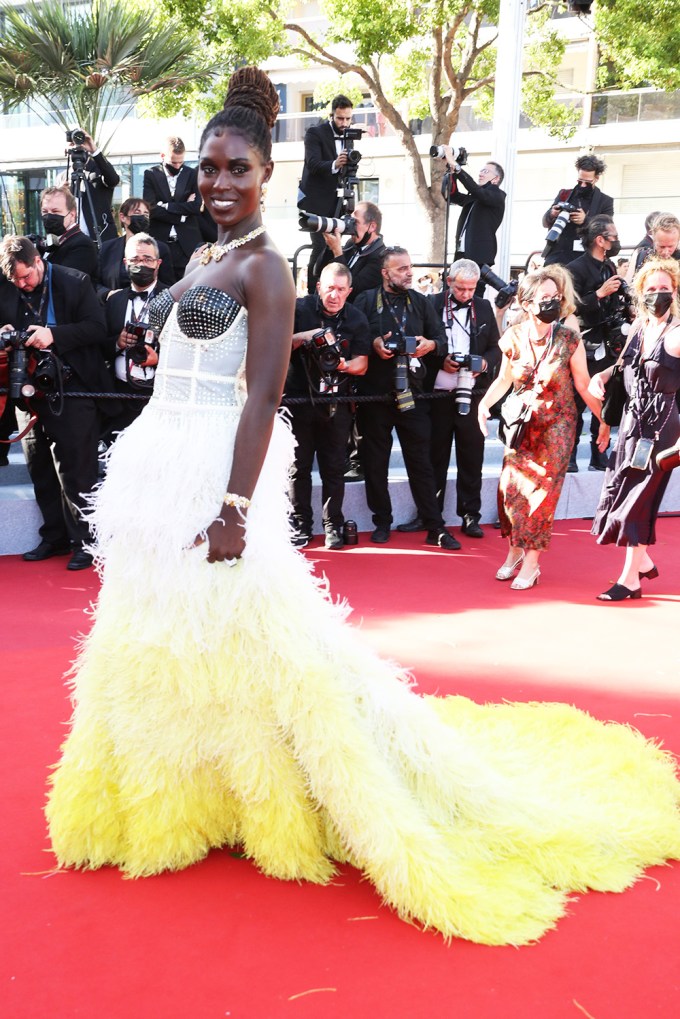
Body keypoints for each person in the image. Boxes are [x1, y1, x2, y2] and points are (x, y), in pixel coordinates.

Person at [44, 68, 680, 948]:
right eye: (210, 169)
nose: (220, 183)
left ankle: (277, 794)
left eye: (237, 170)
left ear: (267, 174)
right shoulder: (201, 258)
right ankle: (188, 790)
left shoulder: (266, 265)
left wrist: (234, 505)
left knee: (257, 635)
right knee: (171, 642)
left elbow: (263, 397)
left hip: (216, 472)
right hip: (155, 469)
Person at [478, 267, 607, 589]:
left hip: (558, 426)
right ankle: (514, 553)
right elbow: (505, 379)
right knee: (512, 493)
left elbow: (582, 384)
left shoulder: (568, 339)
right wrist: (483, 404)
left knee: (541, 498)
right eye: (544, 298)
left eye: (555, 297)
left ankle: (532, 564)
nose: (552, 302)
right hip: (522, 427)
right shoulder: (513, 337)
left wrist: (604, 421)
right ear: (526, 302)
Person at [0, 236, 115, 570]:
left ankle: (86, 542)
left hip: (73, 389)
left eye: (26, 277)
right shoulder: (7, 286)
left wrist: (54, 334)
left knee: (77, 471)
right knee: (40, 468)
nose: (21, 285)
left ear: (38, 261)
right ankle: (54, 536)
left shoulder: (73, 281)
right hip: (27, 392)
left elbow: (98, 328)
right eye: (14, 281)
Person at [354, 246, 461, 550]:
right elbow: (353, 339)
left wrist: (429, 345)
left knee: (422, 462)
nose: (409, 273)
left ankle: (434, 525)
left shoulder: (422, 302)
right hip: (375, 395)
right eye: (401, 269)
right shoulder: (364, 301)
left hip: (413, 394)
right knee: (376, 462)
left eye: (410, 267)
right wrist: (373, 343)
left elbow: (441, 341)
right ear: (385, 272)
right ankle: (382, 521)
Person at [590, 258, 680, 601]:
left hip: (661, 433)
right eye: (652, 289)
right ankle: (641, 563)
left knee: (637, 502)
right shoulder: (640, 329)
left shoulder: (677, 334)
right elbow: (622, 367)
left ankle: (630, 578)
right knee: (618, 495)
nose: (659, 295)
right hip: (632, 425)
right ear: (640, 293)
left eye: (665, 289)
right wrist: (601, 375)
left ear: (674, 293)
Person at [285, 262, 370, 549]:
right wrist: (305, 337)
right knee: (299, 467)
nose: (335, 295)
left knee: (334, 467)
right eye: (330, 288)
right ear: (318, 286)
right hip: (299, 401)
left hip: (337, 404)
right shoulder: (299, 310)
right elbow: (277, 345)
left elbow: (362, 364)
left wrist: (343, 364)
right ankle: (300, 524)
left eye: (341, 290)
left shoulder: (356, 318)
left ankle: (333, 525)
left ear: (349, 291)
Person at [569, 214, 630, 471]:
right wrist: (599, 293)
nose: (616, 241)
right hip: (586, 343)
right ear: (600, 240)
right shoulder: (576, 268)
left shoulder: (610, 266)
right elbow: (570, 307)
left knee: (605, 400)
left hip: (611, 341)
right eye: (613, 237)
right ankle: (570, 456)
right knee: (578, 402)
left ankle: (599, 453)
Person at [102, 233, 166, 438]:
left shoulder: (172, 298)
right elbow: (97, 345)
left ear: (158, 263)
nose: (142, 264)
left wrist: (160, 360)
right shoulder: (114, 301)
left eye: (147, 259)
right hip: (119, 397)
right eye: (135, 259)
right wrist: (117, 343)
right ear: (125, 263)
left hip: (158, 395)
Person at [297, 94, 355, 293]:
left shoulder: (349, 135)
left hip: (337, 200)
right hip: (315, 201)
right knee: (320, 246)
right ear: (332, 115)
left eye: (348, 118)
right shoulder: (315, 133)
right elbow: (312, 164)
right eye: (340, 118)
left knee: (334, 246)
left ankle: (330, 289)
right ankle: (313, 291)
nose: (345, 123)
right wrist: (334, 164)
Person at [143, 137, 203, 282]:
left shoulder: (191, 174)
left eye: (181, 162)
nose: (177, 166)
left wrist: (167, 205)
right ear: (162, 156)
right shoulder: (150, 174)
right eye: (173, 162)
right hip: (161, 243)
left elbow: (196, 206)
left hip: (187, 245)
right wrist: (181, 215)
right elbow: (151, 208)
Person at [441, 152, 506, 280]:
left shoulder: (497, 195)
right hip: (462, 254)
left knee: (474, 296)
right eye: (481, 170)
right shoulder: (475, 199)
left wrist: (457, 167)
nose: (481, 174)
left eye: (486, 171)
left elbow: (476, 190)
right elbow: (453, 195)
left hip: (478, 256)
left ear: (496, 179)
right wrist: (452, 169)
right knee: (454, 292)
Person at [542, 154, 614, 267]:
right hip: (557, 255)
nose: (583, 185)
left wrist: (585, 221)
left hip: (585, 259)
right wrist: (552, 213)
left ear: (596, 178)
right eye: (580, 181)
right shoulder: (564, 194)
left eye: (587, 182)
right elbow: (544, 222)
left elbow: (607, 230)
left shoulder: (605, 201)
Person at [97, 197, 174, 295]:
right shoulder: (107, 248)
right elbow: (96, 283)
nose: (142, 217)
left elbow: (168, 285)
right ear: (123, 217)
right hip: (114, 306)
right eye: (137, 213)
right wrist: (109, 294)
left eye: (146, 214)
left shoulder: (160, 248)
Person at [318, 200, 386, 299]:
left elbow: (353, 289)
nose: (350, 226)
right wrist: (330, 247)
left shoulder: (381, 257)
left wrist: (337, 252)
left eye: (355, 222)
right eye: (350, 221)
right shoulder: (352, 244)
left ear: (372, 226)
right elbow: (318, 271)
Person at [63, 130, 120, 244]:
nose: (77, 147)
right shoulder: (65, 177)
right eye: (73, 144)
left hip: (101, 239)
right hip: (74, 241)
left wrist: (94, 151)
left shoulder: (98, 170)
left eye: (79, 142)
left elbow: (113, 179)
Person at [41, 186, 98, 280]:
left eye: (55, 211)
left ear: (72, 214)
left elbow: (66, 282)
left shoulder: (82, 244)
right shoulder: (46, 243)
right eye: (45, 211)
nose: (49, 216)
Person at [627, 213, 680, 281]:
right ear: (654, 239)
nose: (666, 252)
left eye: (670, 246)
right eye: (661, 246)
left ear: (678, 240)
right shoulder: (643, 257)